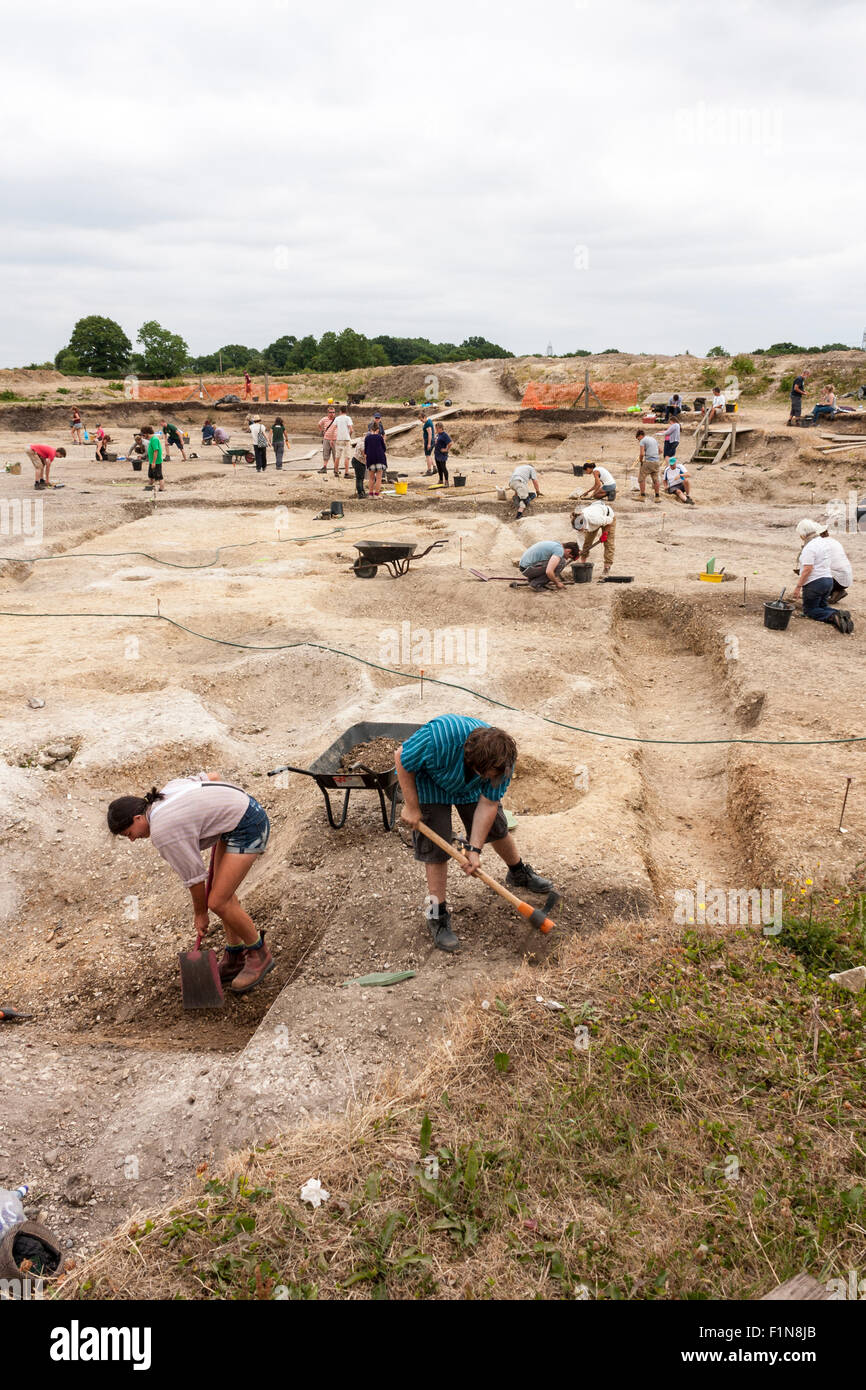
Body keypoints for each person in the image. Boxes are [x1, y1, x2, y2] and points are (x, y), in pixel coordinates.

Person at [395, 716, 554, 952]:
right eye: (490, 775)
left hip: (469, 786)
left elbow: (488, 804)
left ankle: (518, 872)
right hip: (431, 781)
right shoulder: (438, 738)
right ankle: (437, 914)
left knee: (497, 828)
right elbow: (401, 757)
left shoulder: (503, 761)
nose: (495, 779)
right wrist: (411, 806)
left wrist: (474, 849)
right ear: (476, 766)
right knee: (435, 851)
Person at [107, 771, 274, 993]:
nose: (131, 839)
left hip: (248, 825)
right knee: (222, 895)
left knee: (218, 902)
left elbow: (195, 878)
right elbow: (213, 777)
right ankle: (235, 956)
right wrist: (218, 817)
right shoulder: (166, 793)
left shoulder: (163, 832)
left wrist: (200, 914)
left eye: (128, 833)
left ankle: (259, 953)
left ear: (138, 818)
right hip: (236, 818)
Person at [791, 519, 852, 632]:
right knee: (822, 606)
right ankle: (840, 614)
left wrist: (798, 587)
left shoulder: (810, 547)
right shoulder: (823, 542)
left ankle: (834, 616)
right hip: (828, 581)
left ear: (803, 534)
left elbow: (808, 569)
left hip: (815, 583)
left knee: (810, 610)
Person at [515, 538, 581, 590]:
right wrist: (557, 583)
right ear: (568, 551)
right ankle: (536, 583)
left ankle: (534, 580)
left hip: (525, 568)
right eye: (569, 556)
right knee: (562, 562)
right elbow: (549, 571)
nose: (567, 559)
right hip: (528, 569)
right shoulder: (559, 550)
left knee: (557, 562)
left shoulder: (556, 544)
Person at [572, 501, 616, 575]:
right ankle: (582, 564)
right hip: (597, 517)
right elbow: (581, 542)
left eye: (581, 529)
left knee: (608, 543)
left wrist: (605, 533)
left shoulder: (594, 519)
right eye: (579, 530)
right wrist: (579, 552)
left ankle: (607, 567)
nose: (580, 531)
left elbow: (610, 521)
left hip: (608, 517)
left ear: (584, 524)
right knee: (587, 542)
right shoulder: (578, 523)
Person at [635, 429, 661, 502]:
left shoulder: (643, 441)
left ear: (640, 436)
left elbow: (642, 454)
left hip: (648, 461)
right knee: (655, 479)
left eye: (638, 439)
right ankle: (657, 497)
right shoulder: (653, 439)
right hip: (656, 461)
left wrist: (641, 461)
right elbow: (661, 450)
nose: (639, 441)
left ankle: (642, 496)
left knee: (641, 478)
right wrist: (654, 455)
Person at [364, 424, 387, 498]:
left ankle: (370, 494)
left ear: (370, 430)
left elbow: (365, 450)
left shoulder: (367, 438)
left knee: (371, 478)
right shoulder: (380, 437)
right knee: (378, 478)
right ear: (378, 430)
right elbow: (384, 448)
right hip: (380, 459)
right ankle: (377, 494)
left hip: (370, 460)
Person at [333, 406, 354, 479]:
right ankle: (346, 473)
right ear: (346, 411)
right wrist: (349, 435)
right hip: (346, 439)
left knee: (337, 456)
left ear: (340, 411)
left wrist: (332, 439)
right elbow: (351, 430)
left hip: (338, 439)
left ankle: (336, 472)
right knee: (347, 457)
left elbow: (333, 429)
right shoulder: (348, 418)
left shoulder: (337, 418)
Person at [141, 426, 165, 491]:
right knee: (151, 476)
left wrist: (154, 462)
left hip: (156, 461)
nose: (143, 436)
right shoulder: (151, 439)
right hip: (152, 461)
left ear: (147, 433)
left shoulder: (154, 439)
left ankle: (162, 488)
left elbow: (156, 451)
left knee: (159, 476)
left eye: (143, 434)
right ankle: (149, 488)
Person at [318, 404, 337, 474]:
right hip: (326, 439)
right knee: (325, 453)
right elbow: (319, 424)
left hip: (335, 439)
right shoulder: (324, 419)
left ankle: (335, 468)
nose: (332, 414)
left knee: (335, 454)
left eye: (333, 412)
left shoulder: (337, 420)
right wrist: (322, 431)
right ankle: (324, 467)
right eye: (330, 412)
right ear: (328, 413)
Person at [419, 410, 436, 474]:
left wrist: (429, 444)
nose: (421, 421)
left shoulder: (427, 424)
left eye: (421, 420)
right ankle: (434, 468)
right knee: (429, 455)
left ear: (424, 417)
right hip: (431, 440)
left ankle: (429, 470)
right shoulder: (429, 421)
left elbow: (430, 434)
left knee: (427, 455)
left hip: (429, 441)